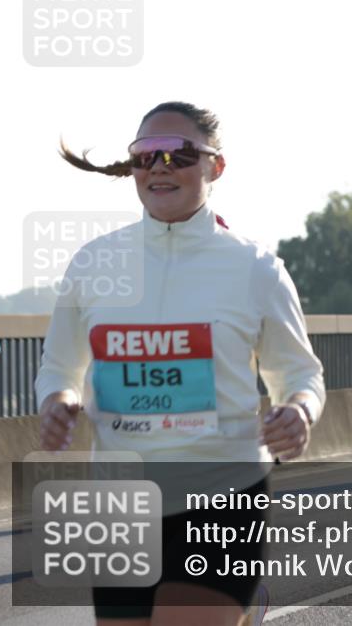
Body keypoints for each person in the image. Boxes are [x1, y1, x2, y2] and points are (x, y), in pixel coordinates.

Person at [38, 101, 325, 626]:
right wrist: (57, 400)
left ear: (215, 166)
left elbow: (301, 374)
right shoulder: (94, 264)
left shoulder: (255, 267)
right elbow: (59, 368)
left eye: (181, 154)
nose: (161, 166)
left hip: (222, 491)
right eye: (145, 155)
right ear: (132, 168)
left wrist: (299, 411)